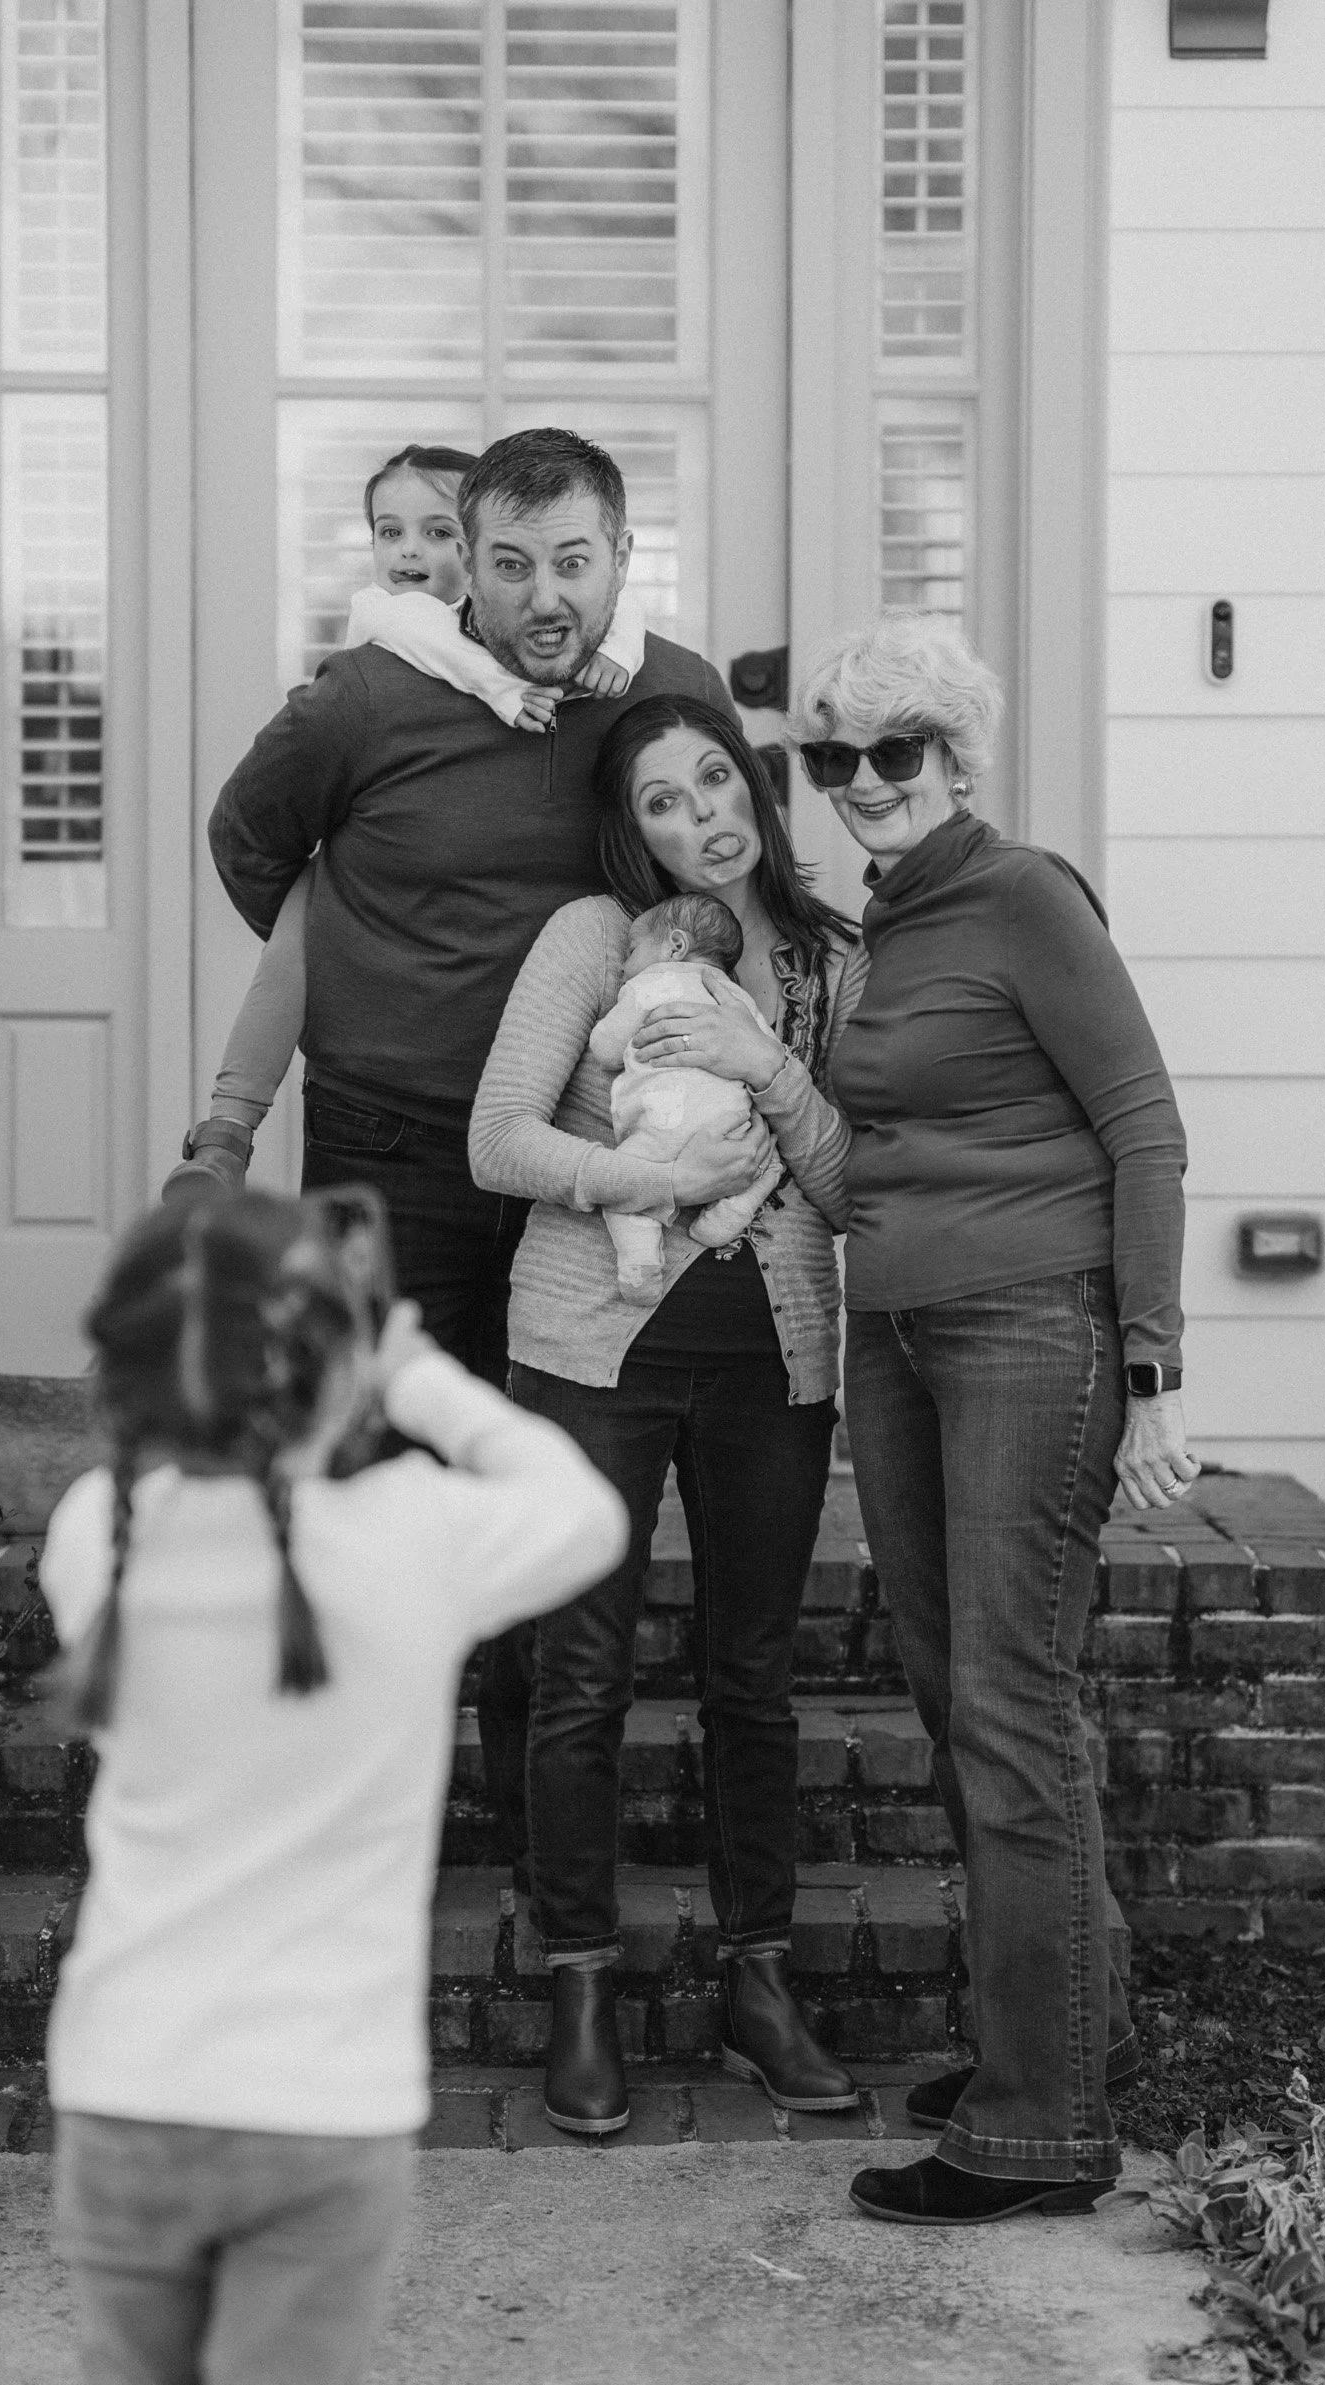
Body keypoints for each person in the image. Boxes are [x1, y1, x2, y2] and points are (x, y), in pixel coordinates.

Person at [14, 1186, 626, 2385]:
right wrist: (416, 1371)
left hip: (125, 2089)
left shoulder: (97, 1534)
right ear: (331, 1367)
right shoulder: (417, 1539)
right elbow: (583, 1506)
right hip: (319, 2118)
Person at [206, 427, 729, 1886]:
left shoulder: (671, 696)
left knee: (539, 1478)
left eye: (572, 562)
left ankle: (521, 1813)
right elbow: (251, 845)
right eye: (510, 565)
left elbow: (718, 869)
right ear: (468, 570)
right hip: (390, 1153)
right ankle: (367, 1812)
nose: (543, 596)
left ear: (621, 559)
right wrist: (381, 969)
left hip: (577, 1160)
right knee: (373, 1473)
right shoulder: (367, 698)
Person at [783, 611, 1193, 2231]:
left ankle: (1037, 2129)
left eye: (893, 749)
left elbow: (1145, 1128)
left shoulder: (1024, 895)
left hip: (1029, 1326)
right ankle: (1069, 2036)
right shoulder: (888, 920)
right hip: (896, 1335)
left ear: (955, 758)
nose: (860, 779)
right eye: (833, 755)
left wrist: (1150, 1368)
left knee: (1014, 1708)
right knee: (961, 1697)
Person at [469, 695, 864, 2136]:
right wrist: (653, 1185)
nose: (701, 815)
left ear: (752, 785)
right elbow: (497, 1139)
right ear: (630, 829)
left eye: (714, 780)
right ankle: (581, 1979)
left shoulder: (829, 961)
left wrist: (767, 1069)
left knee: (751, 1679)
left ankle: (760, 1982)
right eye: (660, 799)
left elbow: (850, 1187)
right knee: (579, 1672)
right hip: (593, 1350)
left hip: (773, 1358)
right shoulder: (596, 938)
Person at [171, 442, 645, 1200]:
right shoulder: (377, 657)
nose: (409, 553)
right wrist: (361, 953)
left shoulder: (655, 673)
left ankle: (228, 1128)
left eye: (436, 532)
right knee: (292, 956)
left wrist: (612, 649)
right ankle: (227, 1132)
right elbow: (247, 836)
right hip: (387, 1121)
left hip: (587, 1117)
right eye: (389, 532)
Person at [585, 890, 785, 1295]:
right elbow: (771, 1054)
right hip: (730, 1126)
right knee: (770, 1164)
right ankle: (728, 1214)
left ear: (675, 946)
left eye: (632, 950)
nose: (623, 964)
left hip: (661, 1126)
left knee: (624, 1187)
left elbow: (605, 1050)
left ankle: (640, 1265)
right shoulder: (736, 997)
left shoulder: (649, 984)